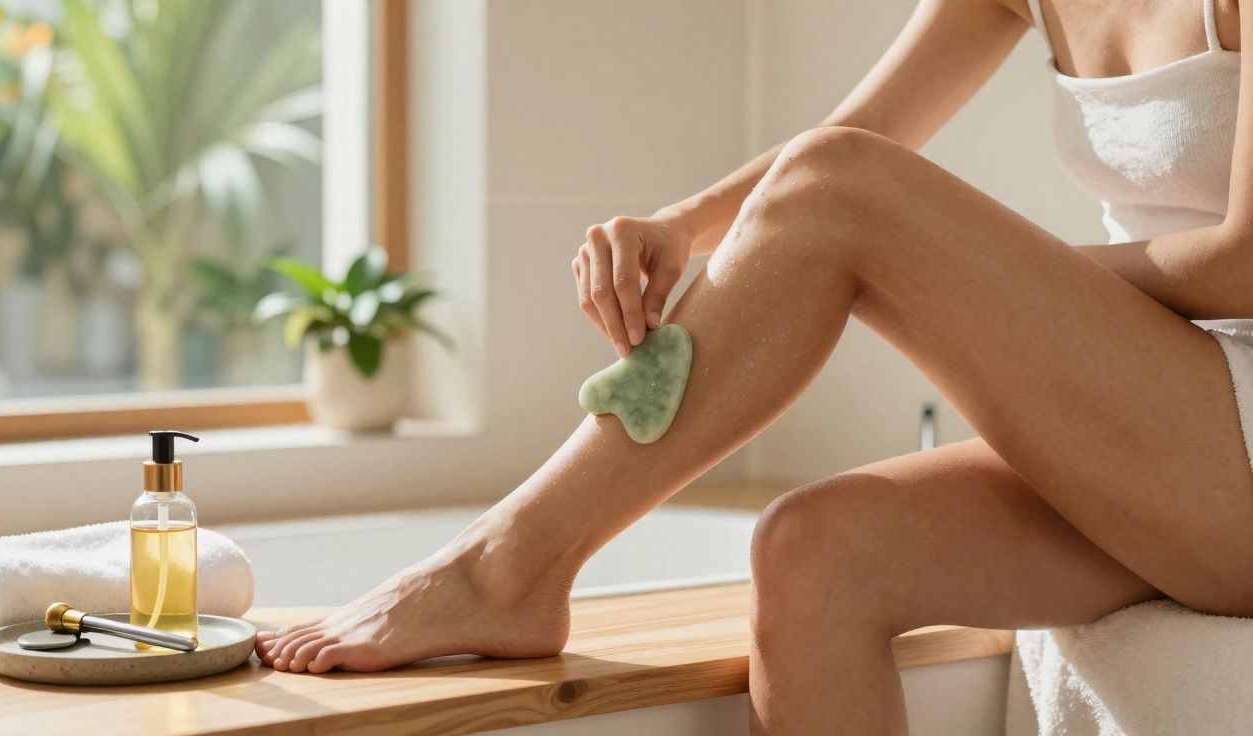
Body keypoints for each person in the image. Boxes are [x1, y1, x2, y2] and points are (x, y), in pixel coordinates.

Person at [256, 0, 1253, 731]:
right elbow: (846, 142)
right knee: (813, 551)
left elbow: (1243, 261)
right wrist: (681, 226)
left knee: (848, 194)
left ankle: (505, 564)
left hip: (1235, 432)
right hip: (1160, 430)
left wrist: (976, 282)